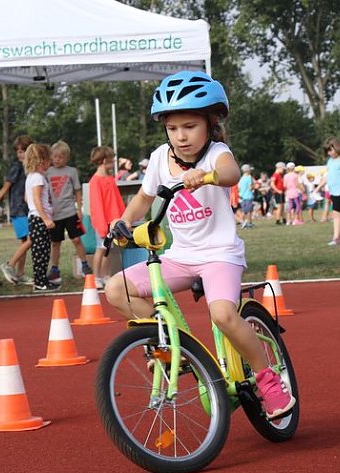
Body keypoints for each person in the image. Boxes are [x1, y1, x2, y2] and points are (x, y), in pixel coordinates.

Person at [104, 70, 295, 420]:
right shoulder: (161, 158)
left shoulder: (216, 153)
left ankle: (267, 379)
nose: (181, 136)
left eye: (190, 126)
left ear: (209, 123)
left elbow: (231, 172)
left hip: (220, 255)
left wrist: (206, 175)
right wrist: (124, 221)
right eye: (173, 128)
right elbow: (143, 199)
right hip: (180, 256)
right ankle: (180, 351)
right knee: (118, 290)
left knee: (223, 315)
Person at [47, 140, 93, 282]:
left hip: (69, 212)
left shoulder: (72, 171)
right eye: (54, 157)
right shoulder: (47, 172)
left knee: (76, 239)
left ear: (67, 158)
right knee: (55, 242)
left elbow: (77, 191)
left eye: (60, 157)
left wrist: (79, 209)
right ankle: (55, 269)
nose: (57, 160)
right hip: (55, 214)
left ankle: (85, 265)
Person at [0, 135, 34, 285]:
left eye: (23, 150)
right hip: (18, 210)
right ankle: (9, 265)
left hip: (28, 209)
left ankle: (20, 273)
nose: (21, 154)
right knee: (32, 239)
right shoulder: (16, 167)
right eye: (18, 151)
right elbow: (6, 186)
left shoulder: (30, 168)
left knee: (25, 241)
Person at [24, 143, 60, 291]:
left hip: (35, 216)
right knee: (41, 251)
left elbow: (27, 198)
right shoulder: (38, 178)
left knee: (41, 250)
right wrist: (45, 217)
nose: (50, 163)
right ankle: (40, 281)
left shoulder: (31, 177)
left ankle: (41, 279)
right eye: (48, 160)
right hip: (39, 218)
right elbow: (37, 199)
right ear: (41, 160)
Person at [88, 145, 124, 289]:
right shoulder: (95, 181)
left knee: (109, 249)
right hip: (102, 222)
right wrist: (102, 226)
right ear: (104, 161)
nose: (113, 162)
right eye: (111, 160)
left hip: (113, 221)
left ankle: (105, 275)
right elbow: (96, 206)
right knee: (100, 249)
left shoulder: (110, 178)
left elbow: (117, 200)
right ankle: (96, 277)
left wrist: (122, 218)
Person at [237, 164, 255, 229]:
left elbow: (238, 188)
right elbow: (250, 188)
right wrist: (254, 186)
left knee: (244, 211)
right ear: (248, 171)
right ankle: (249, 223)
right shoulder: (249, 177)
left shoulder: (241, 178)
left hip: (242, 197)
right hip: (248, 196)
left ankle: (243, 222)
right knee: (249, 211)